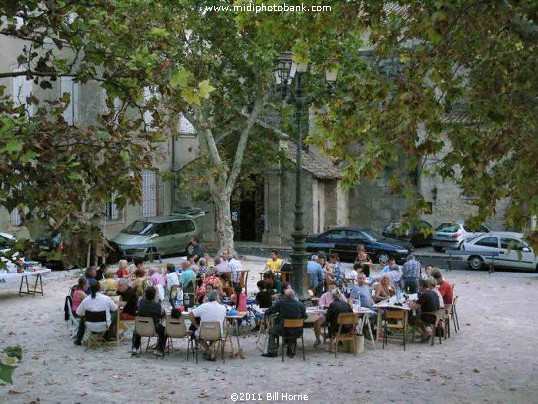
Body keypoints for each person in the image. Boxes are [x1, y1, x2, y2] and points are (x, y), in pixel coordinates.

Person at [262, 289, 307, 358]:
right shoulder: (301, 304)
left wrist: (266, 311)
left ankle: (271, 351)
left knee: (271, 330)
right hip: (297, 331)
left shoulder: (281, 303)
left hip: (283, 330)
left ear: (284, 296)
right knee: (292, 329)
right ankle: (290, 349)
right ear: (294, 296)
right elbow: (305, 316)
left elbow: (270, 310)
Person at [189, 290, 227, 361]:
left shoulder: (203, 306)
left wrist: (196, 326)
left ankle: (208, 349)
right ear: (217, 297)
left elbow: (190, 314)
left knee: (196, 334)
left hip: (204, 332)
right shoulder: (223, 308)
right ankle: (210, 349)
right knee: (218, 333)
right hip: (217, 333)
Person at [131, 286, 166, 357]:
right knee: (164, 331)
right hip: (153, 328)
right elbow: (163, 315)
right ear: (154, 295)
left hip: (140, 327)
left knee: (137, 327)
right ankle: (159, 350)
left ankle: (135, 347)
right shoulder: (157, 305)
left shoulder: (140, 302)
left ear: (145, 294)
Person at [325, 288, 353, 353]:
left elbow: (328, 318)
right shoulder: (346, 304)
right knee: (334, 323)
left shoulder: (332, 305)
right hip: (348, 328)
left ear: (332, 296)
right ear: (340, 296)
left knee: (330, 325)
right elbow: (351, 314)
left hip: (337, 329)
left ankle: (331, 347)